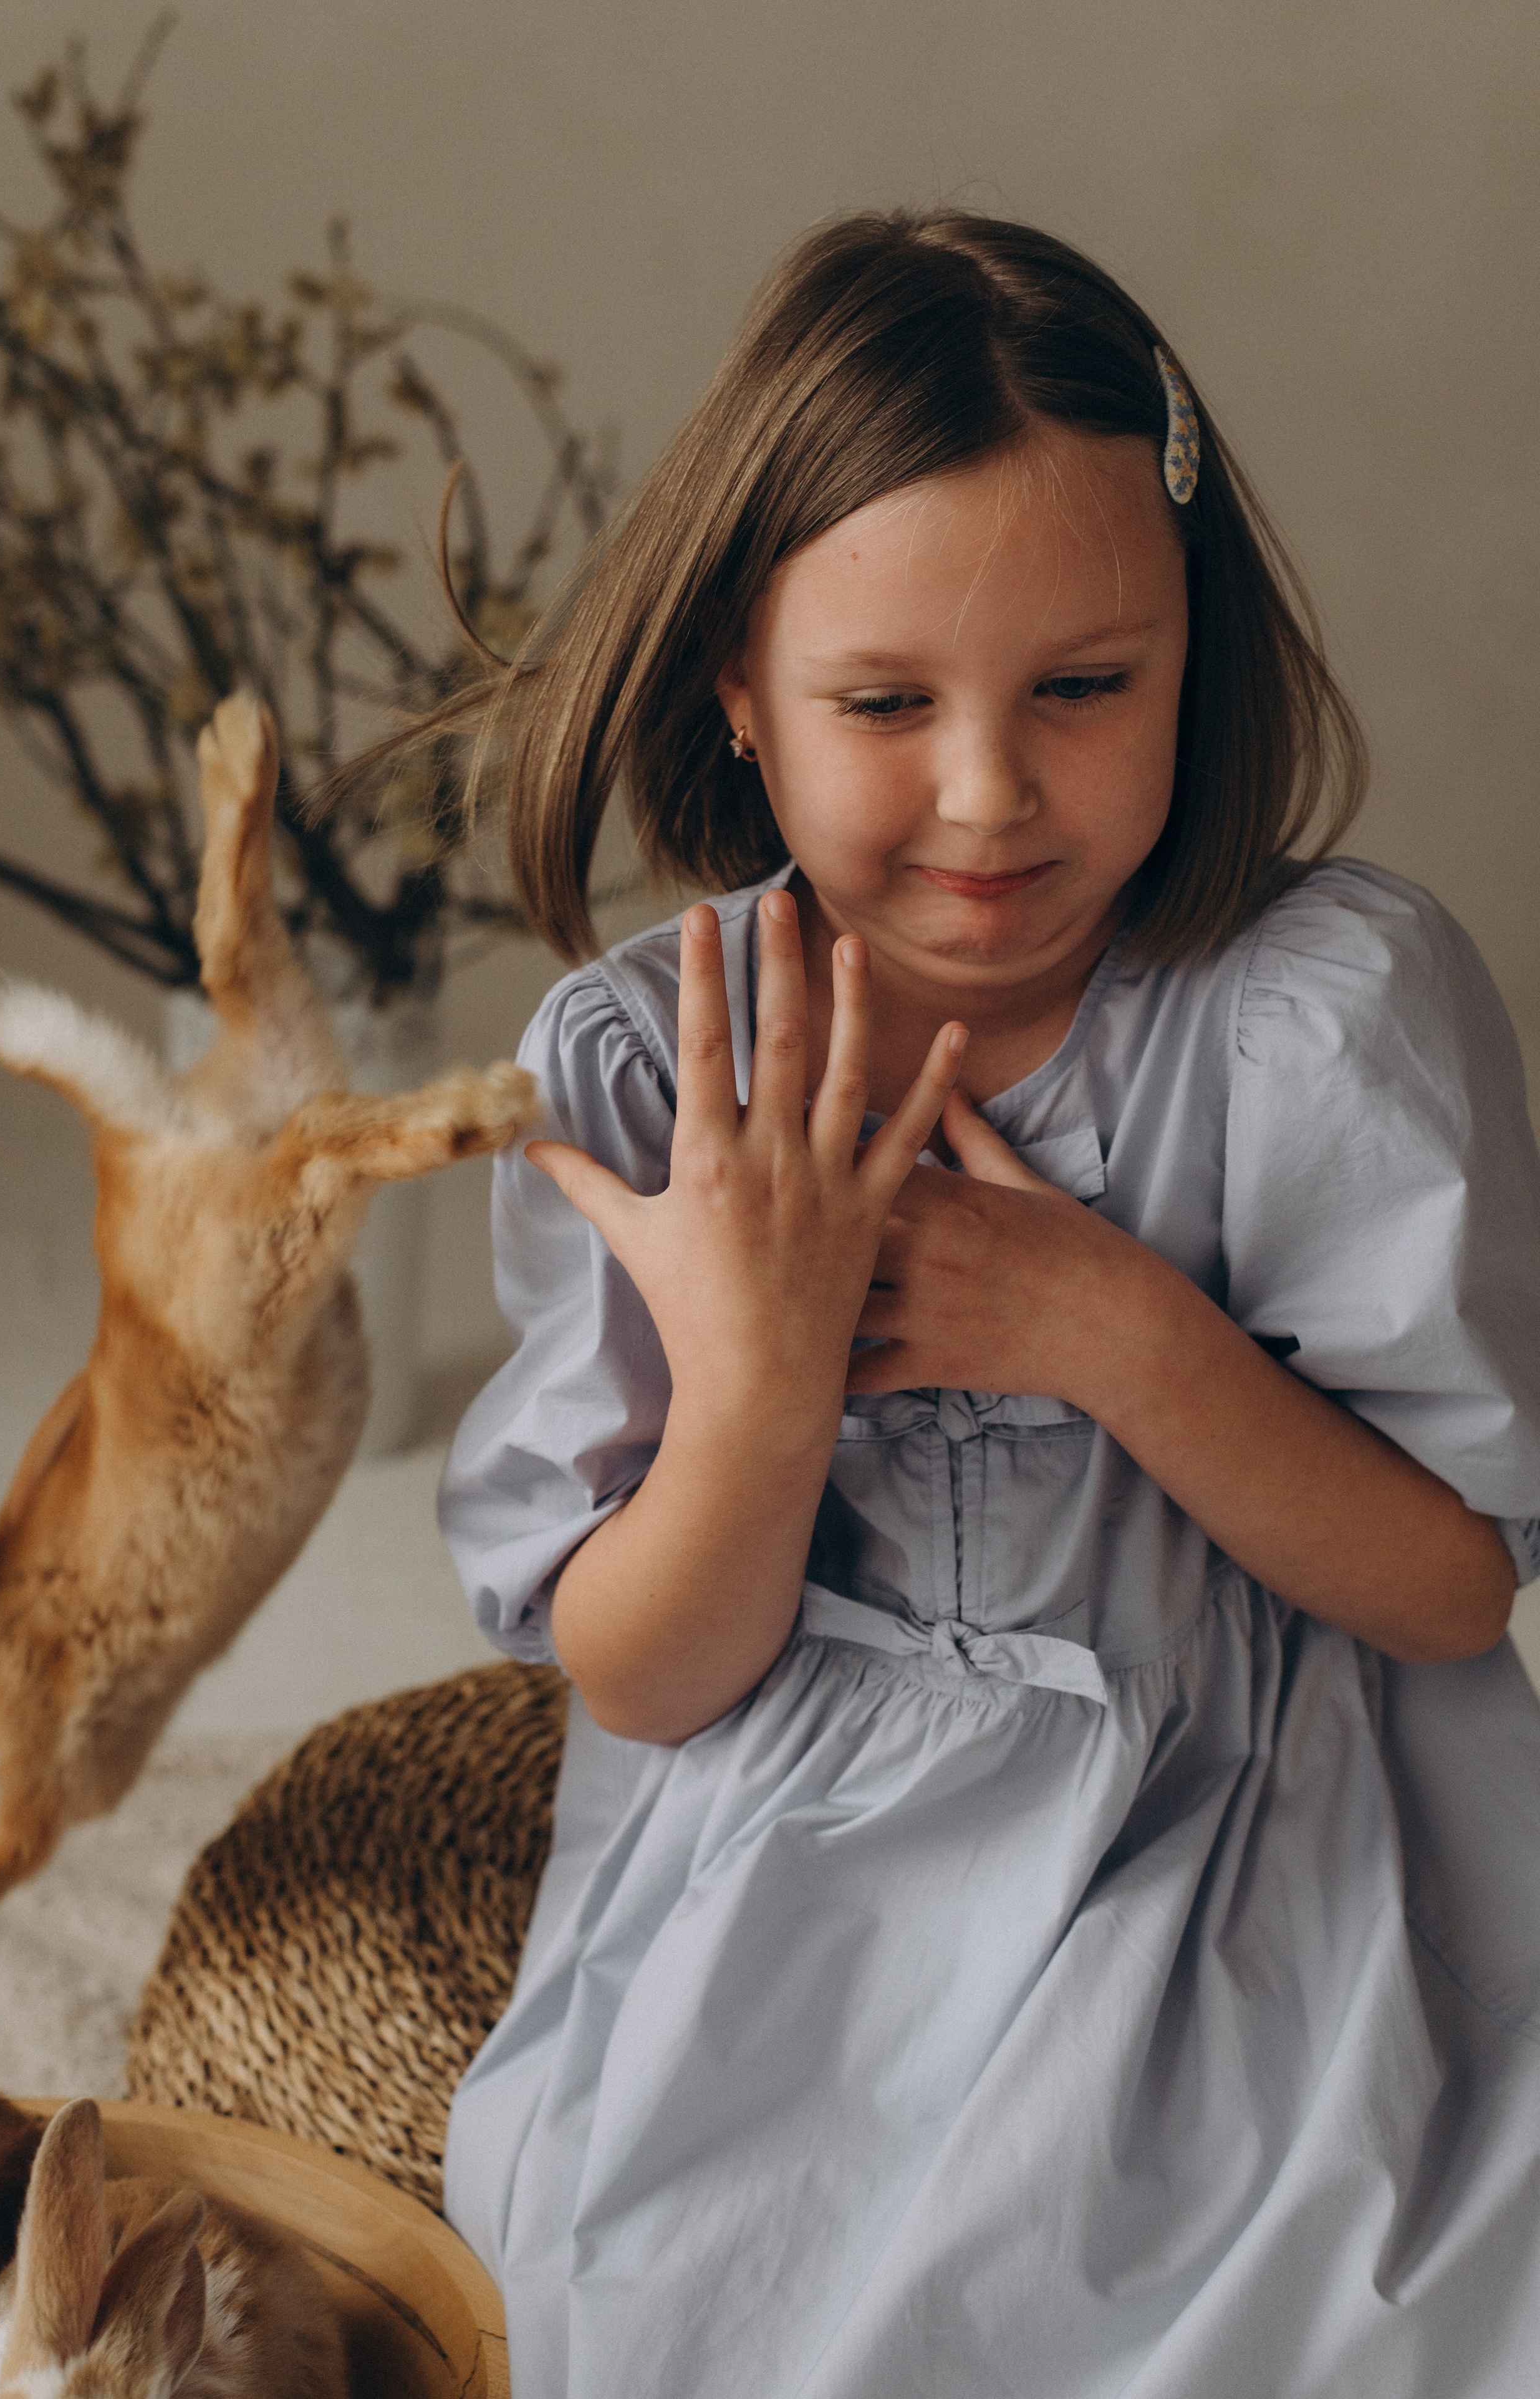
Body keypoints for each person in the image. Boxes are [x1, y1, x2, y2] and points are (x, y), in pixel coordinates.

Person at [435, 212, 1540, 2397]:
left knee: (1351, 2290)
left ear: (1195, 660)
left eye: (1084, 687)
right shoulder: (653, 1072)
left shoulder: (1317, 1019)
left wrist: (1107, 1328)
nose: (988, 790)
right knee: (693, 2300)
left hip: (1240, 1839)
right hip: (791, 1895)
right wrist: (754, 1394)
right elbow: (643, 1680)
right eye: (882, 703)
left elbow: (1442, 1590)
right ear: (738, 694)